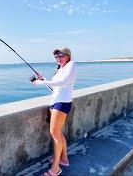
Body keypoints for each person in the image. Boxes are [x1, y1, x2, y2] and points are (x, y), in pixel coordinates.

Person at [33, 47, 77, 176]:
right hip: (55, 102)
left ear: (68, 55)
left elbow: (64, 82)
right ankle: (64, 159)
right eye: (56, 57)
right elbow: (54, 85)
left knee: (55, 133)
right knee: (58, 133)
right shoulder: (60, 69)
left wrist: (41, 83)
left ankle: (56, 168)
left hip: (62, 103)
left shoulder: (72, 65)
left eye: (61, 55)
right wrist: (43, 79)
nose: (58, 58)